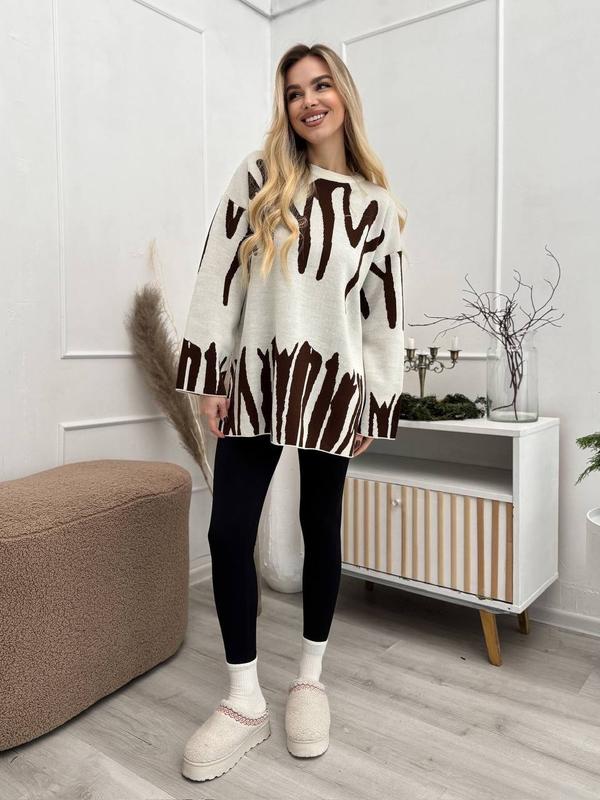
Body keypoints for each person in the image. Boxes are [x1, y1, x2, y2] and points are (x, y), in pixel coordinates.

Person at [175, 42, 407, 782]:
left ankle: (310, 681)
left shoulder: (377, 209)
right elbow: (218, 276)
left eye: (321, 85)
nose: (309, 100)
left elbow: (384, 319)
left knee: (320, 528)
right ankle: (244, 699)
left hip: (334, 389)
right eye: (295, 91)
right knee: (228, 529)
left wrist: (375, 402)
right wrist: (210, 374)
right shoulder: (260, 177)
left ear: (343, 95)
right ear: (284, 106)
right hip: (256, 380)